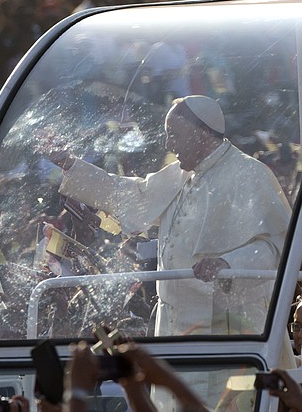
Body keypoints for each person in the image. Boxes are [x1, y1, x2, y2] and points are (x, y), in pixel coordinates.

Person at [54, 95, 290, 338]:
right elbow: (128, 194)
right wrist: (70, 164)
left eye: (174, 134)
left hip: (228, 324)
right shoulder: (179, 175)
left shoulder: (250, 174)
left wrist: (228, 263)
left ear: (202, 134)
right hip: (175, 321)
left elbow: (278, 246)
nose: (168, 144)